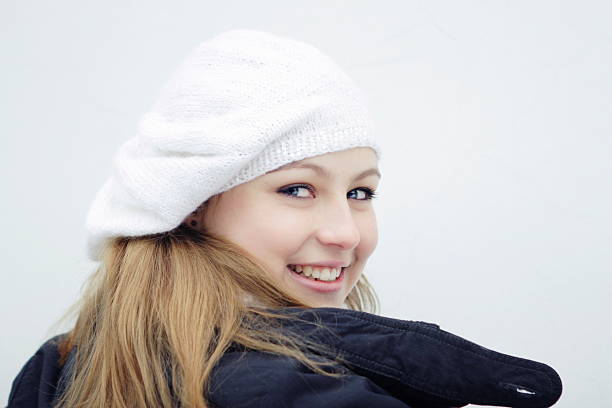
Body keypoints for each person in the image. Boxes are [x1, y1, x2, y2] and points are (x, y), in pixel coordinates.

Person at [7, 29, 562, 408]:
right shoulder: (280, 391)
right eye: (298, 188)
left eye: (361, 192)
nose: (345, 232)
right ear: (194, 204)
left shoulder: (63, 363)